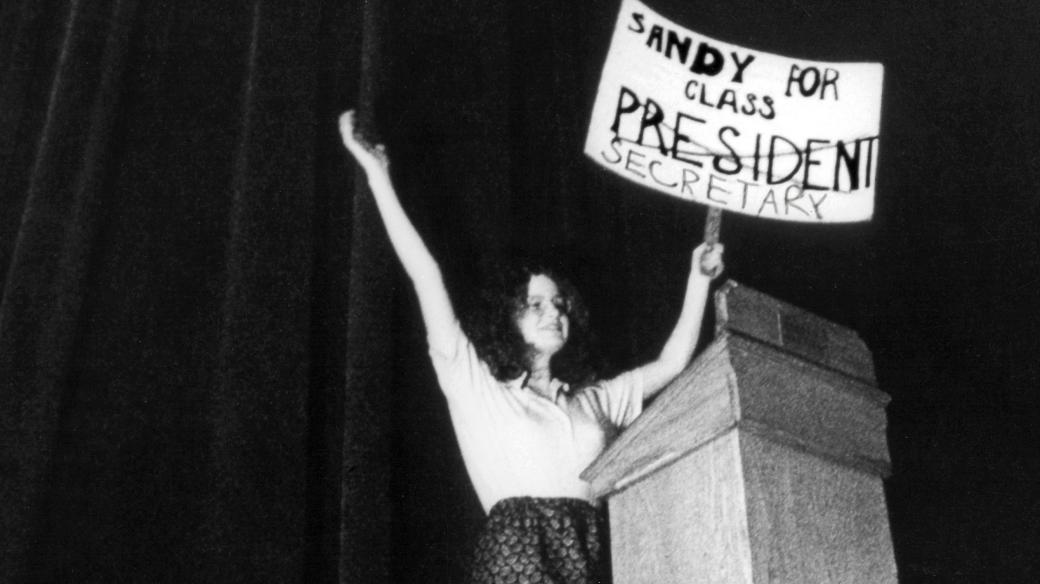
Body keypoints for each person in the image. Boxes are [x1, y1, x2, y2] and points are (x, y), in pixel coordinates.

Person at [338, 110, 723, 584]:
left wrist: (697, 280)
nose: (552, 312)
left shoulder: (594, 399)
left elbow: (672, 362)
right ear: (509, 318)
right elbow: (426, 275)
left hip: (592, 556)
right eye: (534, 303)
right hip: (516, 560)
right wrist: (378, 175)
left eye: (558, 303)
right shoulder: (477, 386)